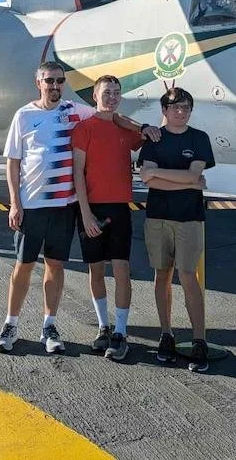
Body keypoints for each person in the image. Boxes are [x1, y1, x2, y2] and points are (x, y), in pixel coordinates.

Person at [0, 62, 155, 354]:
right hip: (32, 206)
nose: (55, 86)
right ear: (38, 82)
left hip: (64, 207)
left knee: (55, 266)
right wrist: (15, 203)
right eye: (49, 81)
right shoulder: (24, 115)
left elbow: (112, 117)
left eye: (59, 81)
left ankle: (49, 325)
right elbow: (13, 162)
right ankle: (10, 324)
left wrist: (141, 127)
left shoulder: (75, 111)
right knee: (23, 267)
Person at [71, 75, 159, 361]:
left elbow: (141, 135)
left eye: (116, 92)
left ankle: (120, 332)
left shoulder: (126, 128)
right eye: (106, 92)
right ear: (94, 95)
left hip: (120, 209)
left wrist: (147, 128)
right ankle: (103, 327)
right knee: (96, 271)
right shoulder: (84, 129)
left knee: (122, 271)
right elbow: (78, 175)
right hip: (91, 209)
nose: (111, 97)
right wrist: (85, 215)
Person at [138, 87, 215, 372]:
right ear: (164, 111)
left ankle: (199, 339)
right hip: (158, 217)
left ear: (190, 111)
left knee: (188, 275)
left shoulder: (199, 138)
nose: (180, 112)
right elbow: (150, 181)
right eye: (174, 107)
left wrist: (159, 172)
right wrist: (188, 182)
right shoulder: (154, 140)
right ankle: (166, 334)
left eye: (185, 107)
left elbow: (193, 174)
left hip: (189, 218)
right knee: (162, 275)